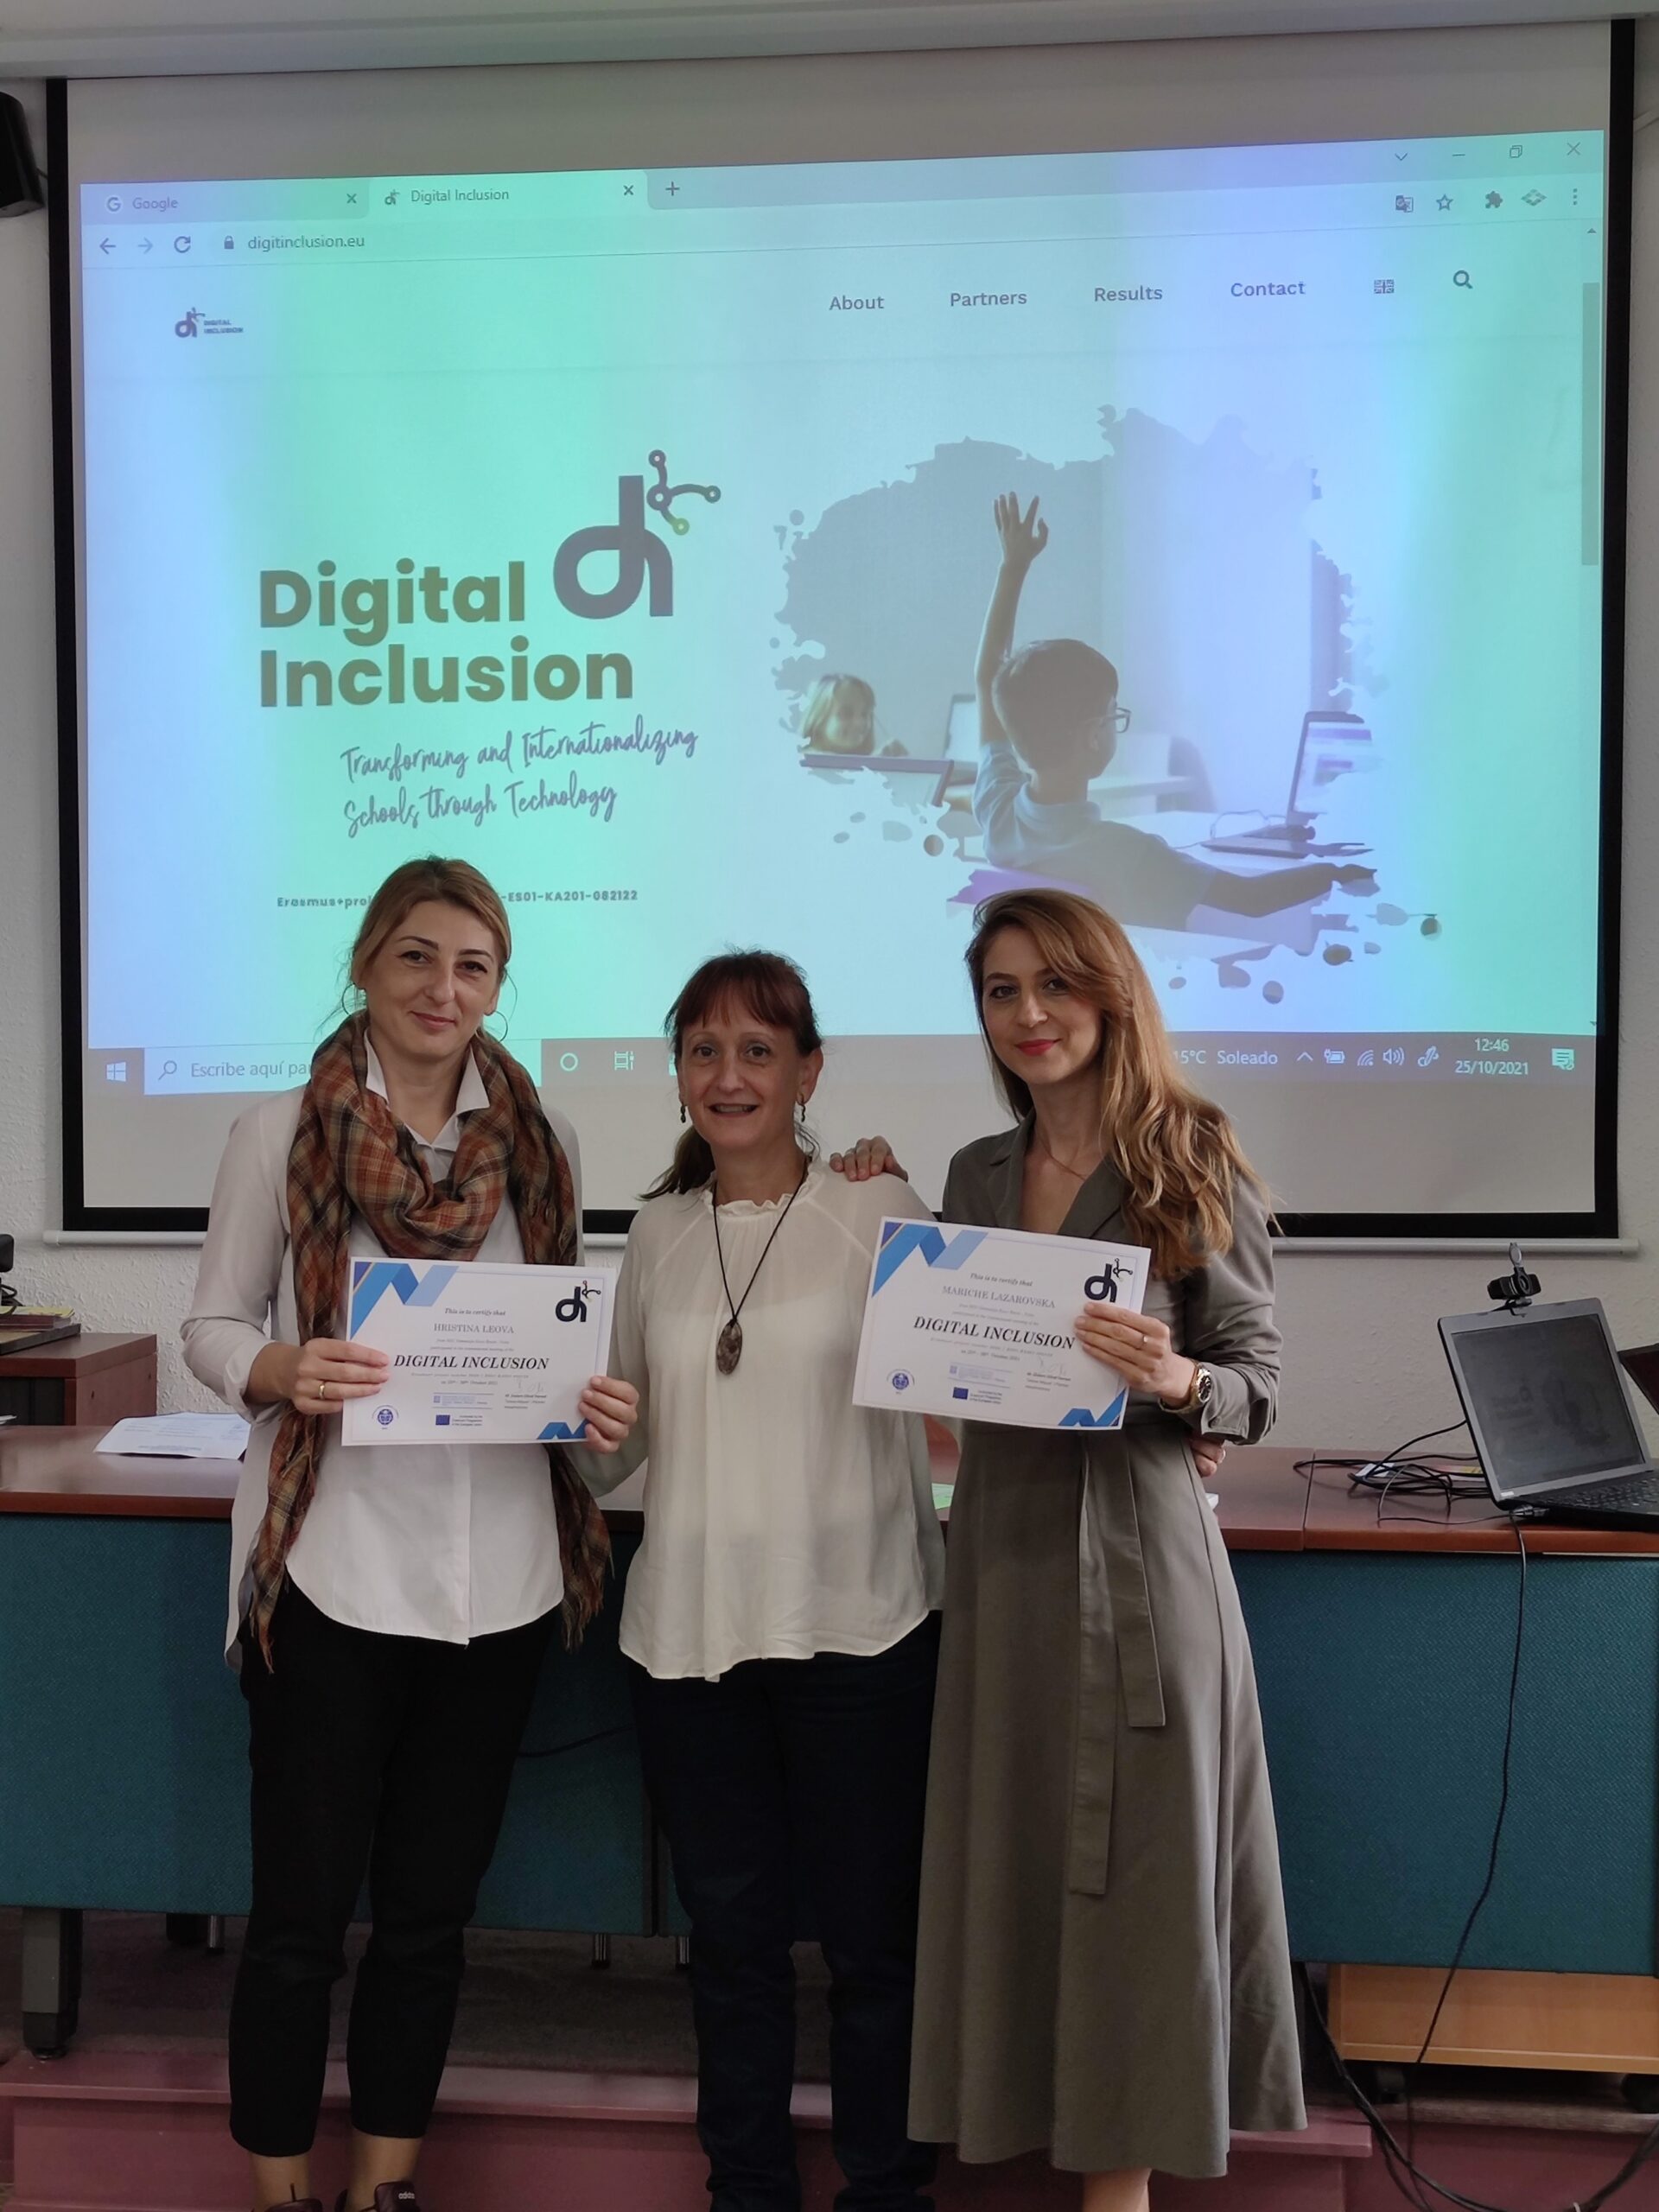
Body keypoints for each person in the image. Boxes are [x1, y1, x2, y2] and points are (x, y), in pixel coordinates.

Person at [182, 855, 639, 2212]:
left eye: (474, 966)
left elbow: (556, 1333)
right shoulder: (278, 1131)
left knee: (431, 1923)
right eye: (418, 958)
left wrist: (593, 1397)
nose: (445, 989)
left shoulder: (546, 1141)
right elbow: (212, 1324)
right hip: (331, 1569)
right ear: (367, 966)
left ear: (499, 986)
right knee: (299, 1924)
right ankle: (279, 2198)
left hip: (499, 1580)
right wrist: (279, 1368)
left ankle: (386, 2188)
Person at [906, 887, 1306, 2212]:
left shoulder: (1193, 1154)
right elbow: (955, 1364)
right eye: (1001, 991)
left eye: (1054, 985)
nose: (1028, 1014)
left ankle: (1118, 2195)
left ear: (1112, 995)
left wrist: (1178, 1380)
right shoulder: (973, 1175)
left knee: (1136, 1886)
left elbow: (1255, 1387)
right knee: (1017, 1868)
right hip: (1004, 1556)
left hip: (1138, 1562)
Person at [579, 950, 943, 2212]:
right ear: (679, 1073)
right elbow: (614, 1453)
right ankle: (747, 2187)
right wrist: (573, 1421)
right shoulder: (656, 1234)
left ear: (808, 1072)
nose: (727, 1076)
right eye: (703, 1050)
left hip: (863, 1626)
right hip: (689, 1639)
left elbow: (962, 1392)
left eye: (757, 1050)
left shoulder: (881, 1204)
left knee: (874, 1947)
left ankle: (886, 2189)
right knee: (731, 1950)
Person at [972, 493, 1373, 928]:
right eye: (1114, 715)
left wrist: (1012, 567)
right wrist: (1338, 870)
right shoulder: (1128, 853)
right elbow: (1252, 899)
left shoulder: (998, 815)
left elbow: (988, 677)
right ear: (1092, 735)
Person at [799, 672, 904, 758]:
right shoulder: (800, 766)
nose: (859, 723)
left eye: (864, 714)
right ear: (818, 719)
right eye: (846, 714)